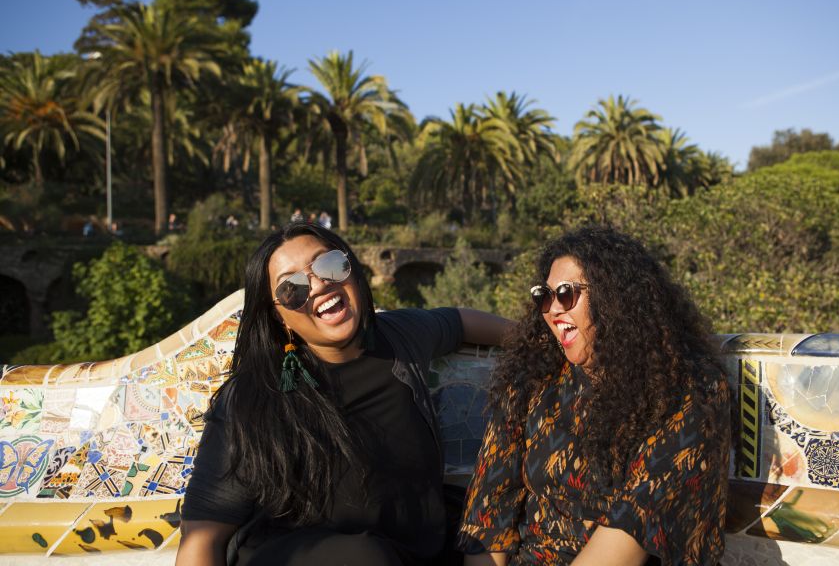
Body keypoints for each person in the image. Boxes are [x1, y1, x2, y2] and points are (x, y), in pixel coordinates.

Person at [178, 221, 511, 566]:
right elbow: (202, 536)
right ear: (280, 318)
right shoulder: (253, 396)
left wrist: (544, 341)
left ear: (352, 269)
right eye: (292, 287)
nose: (320, 284)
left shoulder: (400, 339)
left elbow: (458, 322)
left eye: (329, 265)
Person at [458, 227, 731, 566]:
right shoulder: (533, 381)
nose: (553, 309)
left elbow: (633, 526)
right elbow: (489, 517)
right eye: (544, 296)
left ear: (616, 297)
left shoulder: (687, 390)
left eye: (566, 293)